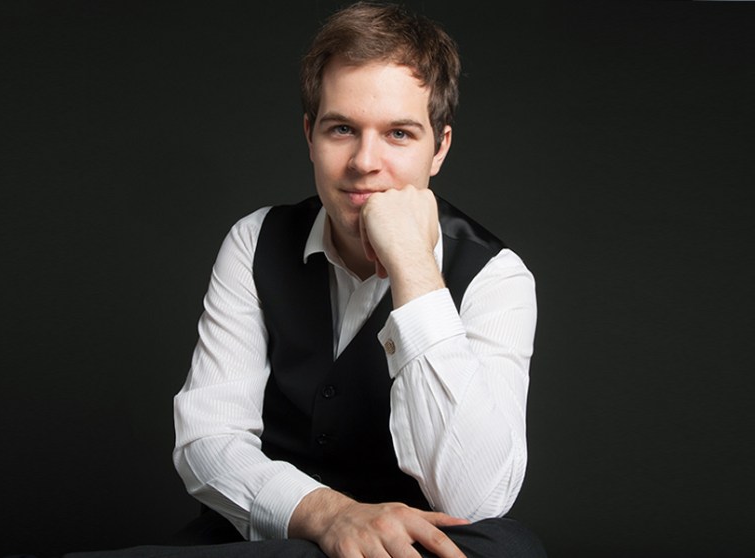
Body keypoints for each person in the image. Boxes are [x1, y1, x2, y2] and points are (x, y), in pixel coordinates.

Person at [71, 3, 542, 557]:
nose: (365, 161)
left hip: (413, 545)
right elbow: (208, 441)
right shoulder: (255, 240)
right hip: (275, 537)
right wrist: (330, 516)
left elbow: (476, 496)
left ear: (438, 148)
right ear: (309, 136)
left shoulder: (496, 276)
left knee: (500, 547)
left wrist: (414, 268)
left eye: (399, 133)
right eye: (342, 129)